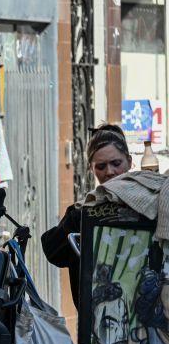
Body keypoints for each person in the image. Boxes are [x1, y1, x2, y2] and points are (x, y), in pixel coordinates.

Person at [41, 124, 133, 309]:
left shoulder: (148, 205)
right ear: (92, 169)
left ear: (129, 162)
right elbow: (54, 253)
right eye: (101, 166)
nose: (109, 172)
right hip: (93, 321)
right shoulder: (82, 212)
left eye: (116, 163)